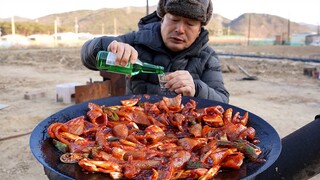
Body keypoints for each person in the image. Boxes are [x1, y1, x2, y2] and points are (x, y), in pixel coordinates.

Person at [81, 0, 229, 103]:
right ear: (162, 19)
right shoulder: (137, 40)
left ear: (199, 30)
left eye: (190, 24)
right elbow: (87, 56)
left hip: (185, 131)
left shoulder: (207, 57)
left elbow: (223, 101)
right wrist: (108, 45)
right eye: (174, 19)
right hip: (135, 125)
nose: (180, 29)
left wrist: (196, 88)